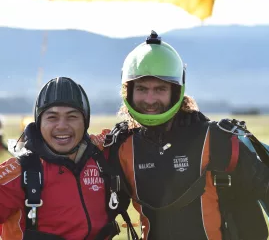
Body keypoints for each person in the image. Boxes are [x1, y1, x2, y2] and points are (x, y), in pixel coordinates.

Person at [92, 31, 269, 240]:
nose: (149, 99)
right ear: (128, 92)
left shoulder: (218, 141)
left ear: (176, 92)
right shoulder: (121, 147)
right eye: (141, 88)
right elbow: (92, 215)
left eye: (159, 89)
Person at [0, 77, 119, 240]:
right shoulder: (19, 173)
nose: (62, 125)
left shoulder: (102, 155)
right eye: (52, 117)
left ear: (85, 122)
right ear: (39, 122)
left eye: (72, 117)